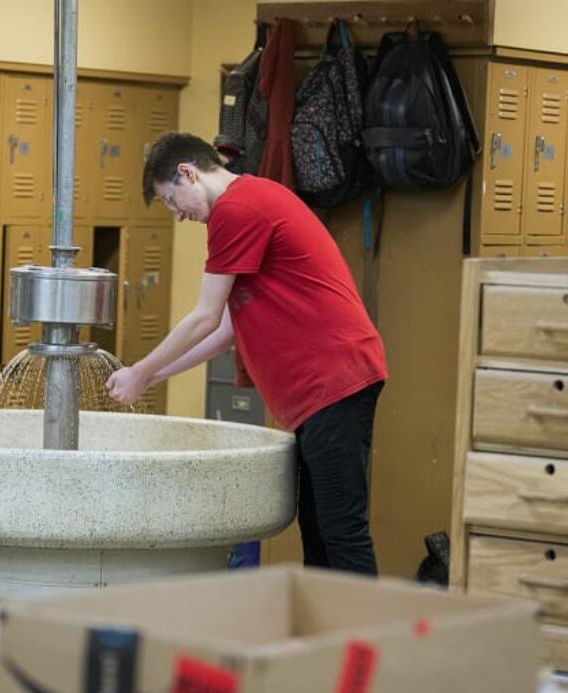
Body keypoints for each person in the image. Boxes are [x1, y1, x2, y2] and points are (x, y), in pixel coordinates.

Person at [105, 132, 387, 575]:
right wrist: (157, 375)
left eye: (169, 201)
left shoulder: (237, 209)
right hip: (320, 390)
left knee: (341, 534)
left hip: (335, 380)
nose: (177, 215)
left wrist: (141, 370)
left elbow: (203, 316)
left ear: (187, 174)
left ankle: (366, 642)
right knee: (317, 534)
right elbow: (224, 329)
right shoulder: (249, 200)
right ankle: (328, 637)